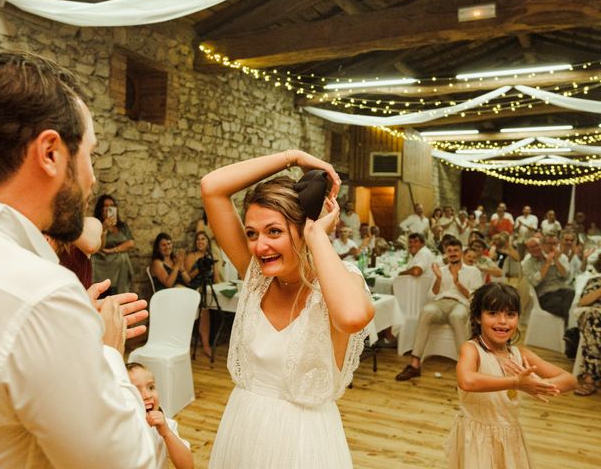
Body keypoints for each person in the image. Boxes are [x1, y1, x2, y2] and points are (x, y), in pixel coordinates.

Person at [0, 52, 155, 467]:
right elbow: (128, 463)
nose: (92, 177)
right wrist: (102, 348)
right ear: (50, 153)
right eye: (89, 155)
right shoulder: (41, 294)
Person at [201, 149, 374, 468]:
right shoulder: (256, 277)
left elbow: (352, 318)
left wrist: (316, 236)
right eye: (251, 233)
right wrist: (292, 157)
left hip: (303, 443)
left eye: (274, 231)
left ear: (305, 228)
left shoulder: (341, 283)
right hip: (243, 428)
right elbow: (212, 187)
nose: (258, 245)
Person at [448, 283, 577, 468]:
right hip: (477, 437)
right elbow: (467, 381)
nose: (503, 321)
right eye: (493, 313)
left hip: (510, 436)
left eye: (510, 314)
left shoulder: (520, 354)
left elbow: (570, 380)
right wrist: (516, 382)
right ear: (477, 317)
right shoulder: (472, 349)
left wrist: (538, 383)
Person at [395, 239, 482, 381]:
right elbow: (431, 295)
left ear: (461, 252)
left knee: (456, 316)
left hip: (461, 304)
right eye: (449, 251)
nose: (453, 254)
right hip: (440, 303)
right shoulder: (440, 271)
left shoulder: (473, 271)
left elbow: (475, 297)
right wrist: (439, 279)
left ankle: (466, 369)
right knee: (426, 312)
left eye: (456, 250)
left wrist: (457, 283)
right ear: (445, 253)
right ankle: (415, 364)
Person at [126, 363, 194, 469]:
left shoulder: (167, 426)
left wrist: (167, 433)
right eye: (136, 391)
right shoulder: (120, 430)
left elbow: (187, 466)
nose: (147, 395)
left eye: (151, 387)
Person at [185, 230, 221, 358]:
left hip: (209, 288)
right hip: (195, 289)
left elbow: (216, 278)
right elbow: (187, 278)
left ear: (207, 242)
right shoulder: (191, 256)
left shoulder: (211, 256)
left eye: (203, 239)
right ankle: (206, 345)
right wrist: (199, 269)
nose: (200, 241)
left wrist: (221, 288)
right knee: (204, 309)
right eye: (198, 239)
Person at [522, 235, 574, 322]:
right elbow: (534, 282)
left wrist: (556, 261)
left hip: (563, 290)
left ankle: (564, 326)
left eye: (536, 245)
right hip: (546, 294)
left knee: (573, 294)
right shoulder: (527, 264)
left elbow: (566, 277)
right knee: (561, 305)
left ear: (541, 246)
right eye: (531, 247)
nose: (535, 249)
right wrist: (547, 263)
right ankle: (567, 327)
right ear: (528, 250)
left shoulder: (559, 257)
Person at [92, 194, 135, 294]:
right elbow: (99, 246)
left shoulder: (122, 226)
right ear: (101, 209)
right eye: (106, 205)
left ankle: (121, 292)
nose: (109, 208)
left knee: (123, 257)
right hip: (101, 258)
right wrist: (104, 228)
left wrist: (113, 250)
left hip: (117, 257)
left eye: (111, 205)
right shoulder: (96, 224)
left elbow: (131, 243)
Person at [574, 258, 601, 396]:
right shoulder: (595, 281)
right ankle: (592, 377)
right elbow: (583, 302)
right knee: (593, 319)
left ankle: (590, 377)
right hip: (594, 317)